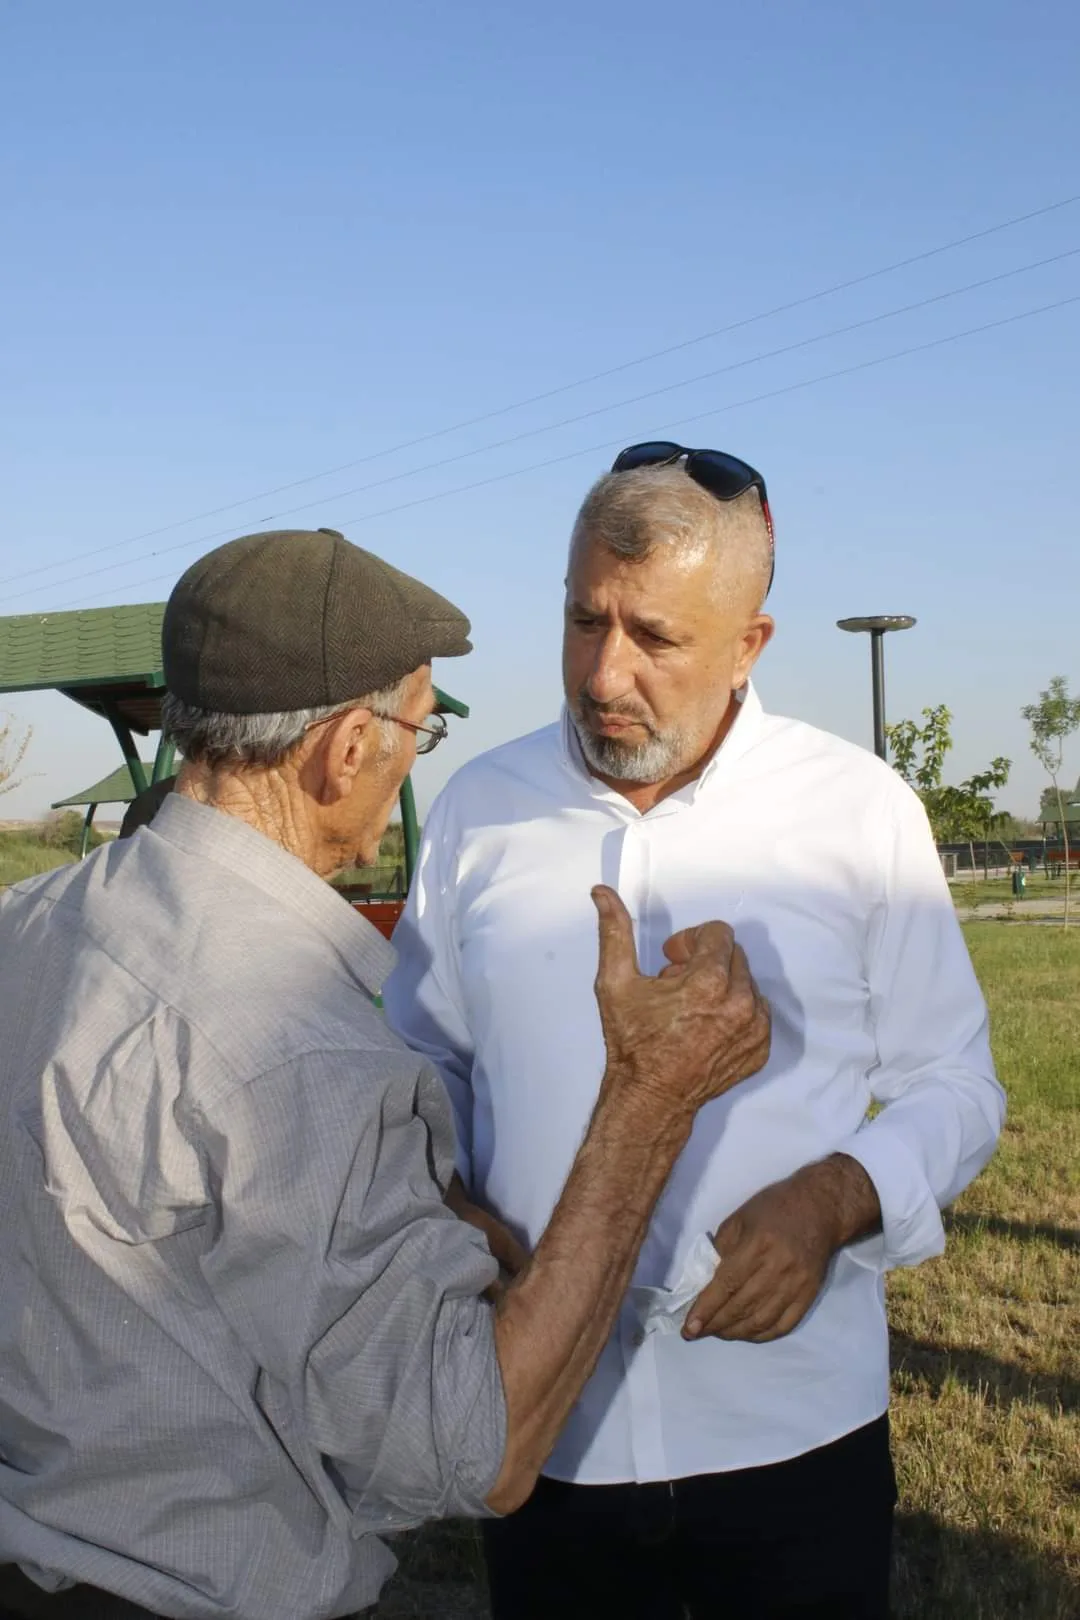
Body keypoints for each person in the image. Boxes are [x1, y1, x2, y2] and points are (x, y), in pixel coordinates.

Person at [0, 526, 771, 1620]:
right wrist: (650, 1099)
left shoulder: (28, 928)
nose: (419, 750)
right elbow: (474, 1451)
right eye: (419, 722)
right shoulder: (297, 1049)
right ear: (347, 749)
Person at [384, 446, 1006, 1620]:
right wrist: (452, 1206)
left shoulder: (859, 812)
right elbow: (422, 1066)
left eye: (656, 638)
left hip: (794, 1434)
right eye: (583, 621)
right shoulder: (481, 809)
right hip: (543, 1433)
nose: (603, 670)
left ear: (749, 645)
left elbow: (955, 1084)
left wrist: (836, 1197)